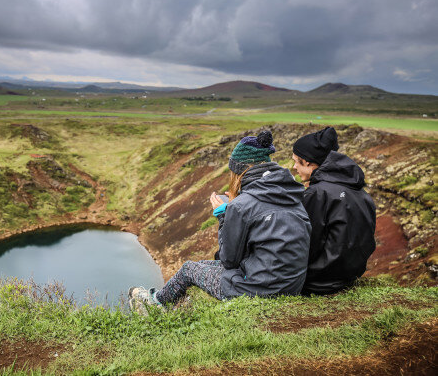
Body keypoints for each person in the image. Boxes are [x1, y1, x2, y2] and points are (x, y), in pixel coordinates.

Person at [129, 131, 311, 313]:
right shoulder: (292, 193)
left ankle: (153, 306)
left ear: (240, 170)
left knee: (188, 269)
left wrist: (224, 214)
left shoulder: (242, 205)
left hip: (259, 290)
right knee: (203, 265)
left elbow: (228, 259)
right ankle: (163, 301)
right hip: (291, 286)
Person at [292, 126, 376, 295]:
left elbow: (307, 243)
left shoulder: (318, 193)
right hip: (349, 276)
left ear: (307, 162)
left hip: (318, 280)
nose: (294, 167)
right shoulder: (359, 191)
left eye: (296, 161)